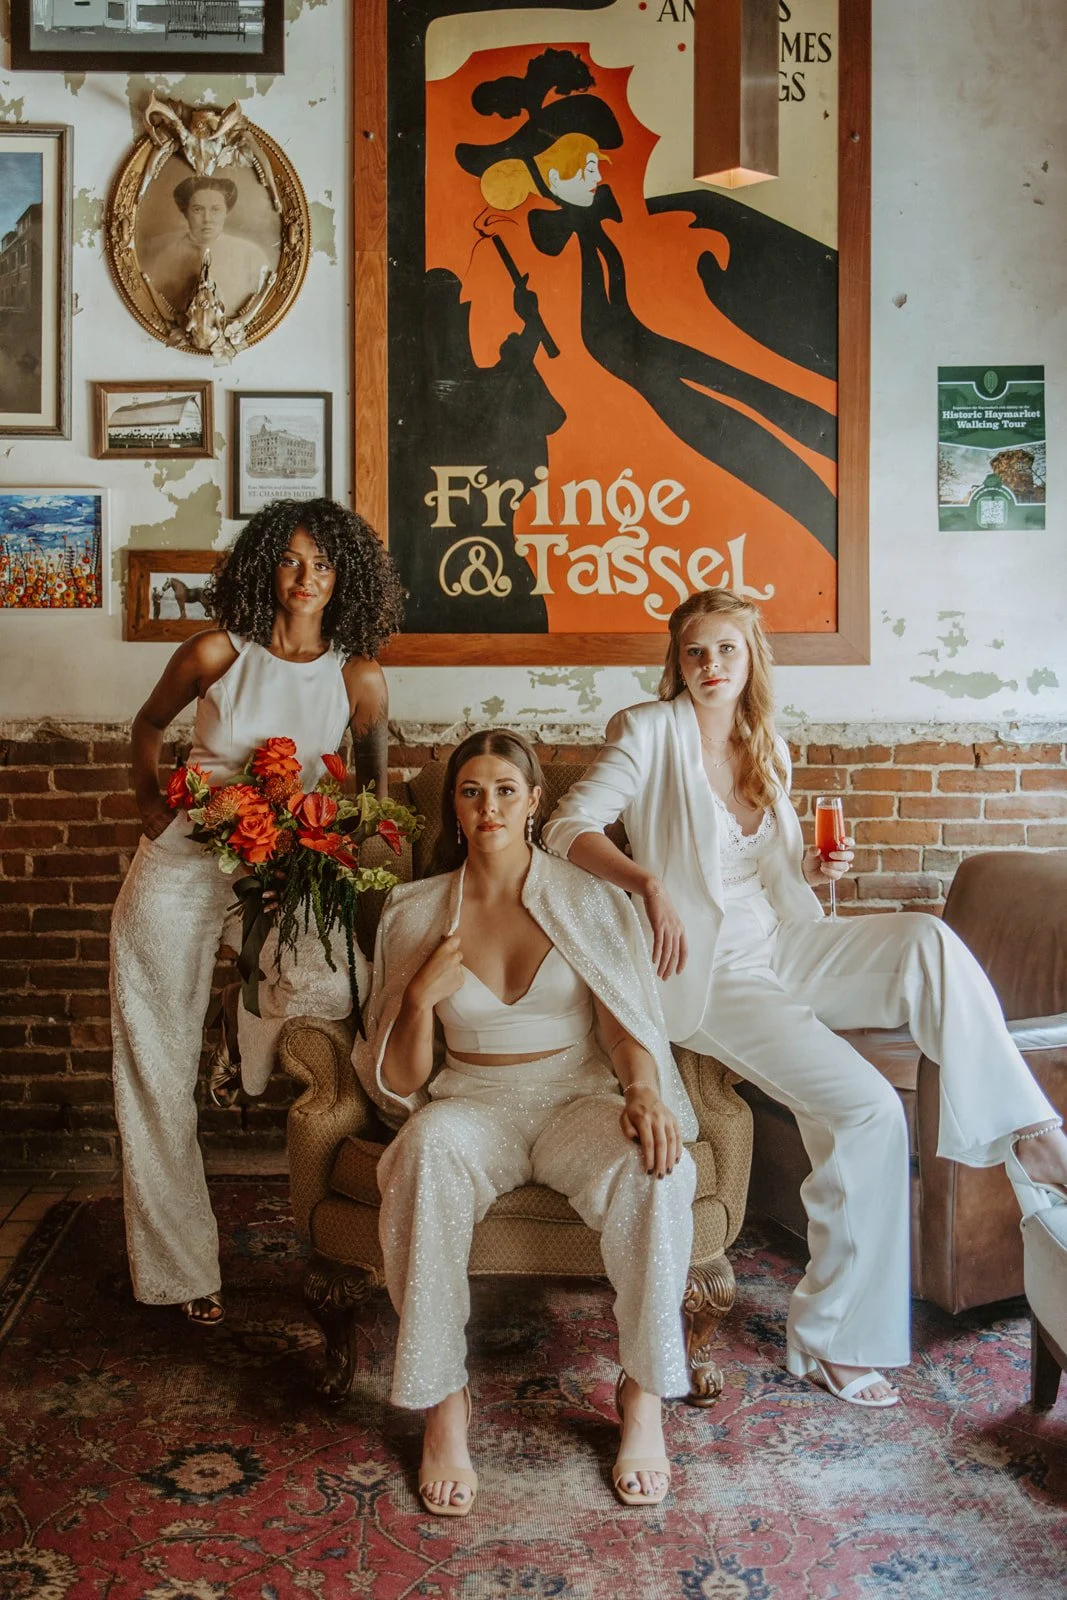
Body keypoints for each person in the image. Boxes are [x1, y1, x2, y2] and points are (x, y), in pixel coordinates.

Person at [542, 588, 1067, 1407]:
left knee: (926, 940)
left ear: (750, 659)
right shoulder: (647, 732)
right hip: (712, 976)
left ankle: (1029, 1132)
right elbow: (564, 829)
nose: (710, 665)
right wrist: (645, 883)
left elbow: (778, 883)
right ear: (676, 663)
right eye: (694, 652)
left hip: (787, 944)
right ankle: (830, 1342)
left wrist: (819, 872)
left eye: (725, 649)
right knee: (865, 1108)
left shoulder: (767, 749)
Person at [353, 730, 698, 1514]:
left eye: (506, 789)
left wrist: (641, 1088)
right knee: (422, 1151)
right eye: (471, 791)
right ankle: (444, 1403)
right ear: (454, 805)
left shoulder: (590, 901)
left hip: (574, 1099)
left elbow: (622, 1027)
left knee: (660, 1164)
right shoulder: (412, 912)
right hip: (471, 1104)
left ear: (535, 801)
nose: (488, 806)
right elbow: (399, 1084)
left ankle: (641, 1397)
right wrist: (415, 1000)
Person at [110, 497, 403, 1328]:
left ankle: (238, 1043)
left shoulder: (360, 675)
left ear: (344, 575)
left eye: (324, 562)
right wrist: (148, 808)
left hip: (282, 878)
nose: (307, 578)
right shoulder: (214, 652)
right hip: (180, 868)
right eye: (291, 560)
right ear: (265, 566)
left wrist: (334, 852)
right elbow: (145, 726)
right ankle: (178, 1271)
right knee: (151, 1065)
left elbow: (371, 792)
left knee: (320, 1005)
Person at [140, 174, 274, 318]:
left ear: (226, 212)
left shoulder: (252, 255)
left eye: (215, 209)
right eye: (198, 210)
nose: (207, 219)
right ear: (185, 213)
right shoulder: (165, 256)